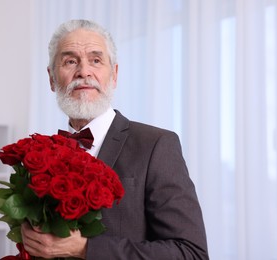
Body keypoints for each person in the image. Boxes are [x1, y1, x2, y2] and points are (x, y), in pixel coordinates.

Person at [21, 19, 209, 259]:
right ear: (51, 78)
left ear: (115, 74)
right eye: (70, 61)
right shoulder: (42, 155)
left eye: (96, 60)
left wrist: (86, 248)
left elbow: (191, 253)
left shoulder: (157, 145)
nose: (83, 71)